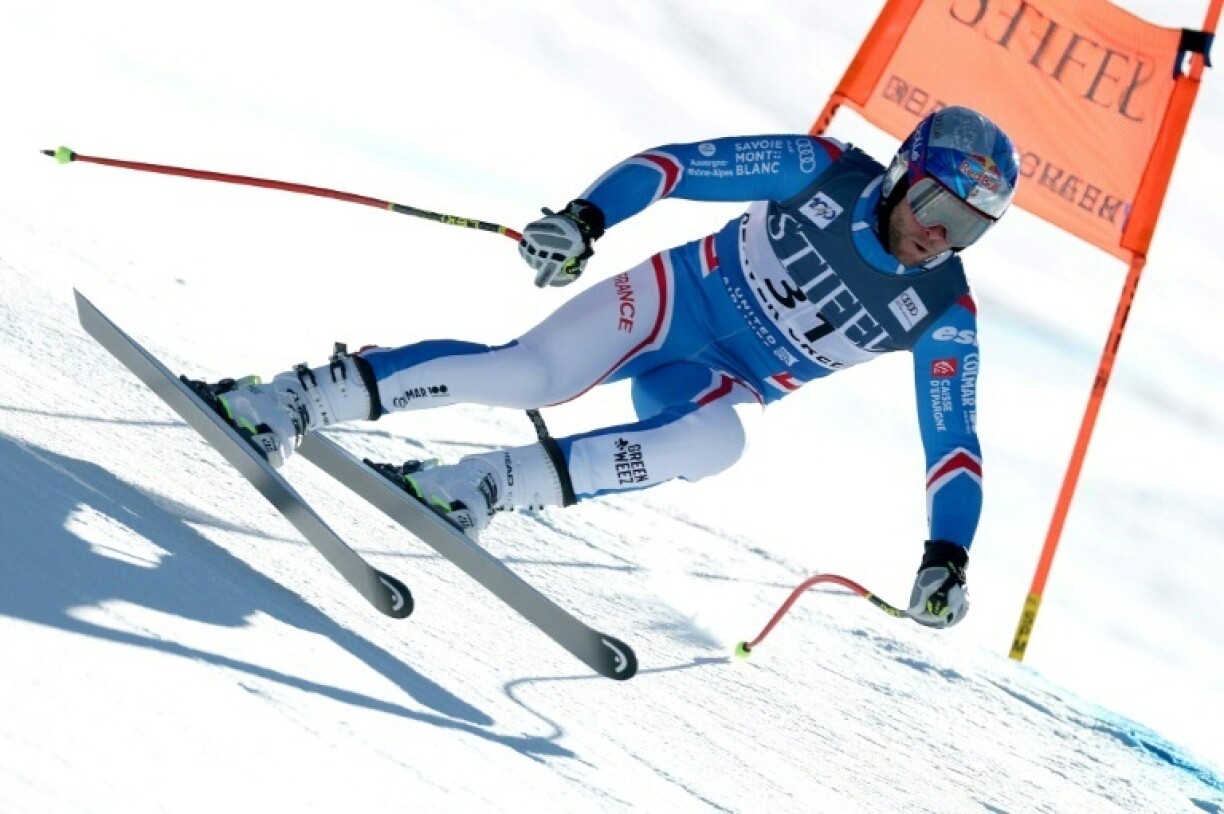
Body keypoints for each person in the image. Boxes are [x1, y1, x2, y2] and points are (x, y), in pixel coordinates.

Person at [200, 105, 1020, 629]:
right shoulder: (820, 169)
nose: (942, 237)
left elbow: (954, 441)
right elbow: (676, 165)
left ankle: (482, 484)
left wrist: (946, 555)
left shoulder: (945, 310)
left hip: (712, 380)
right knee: (532, 376)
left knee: (720, 444)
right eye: (939, 207)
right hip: (668, 304)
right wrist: (586, 219)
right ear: (901, 175)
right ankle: (290, 398)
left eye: (971, 228)